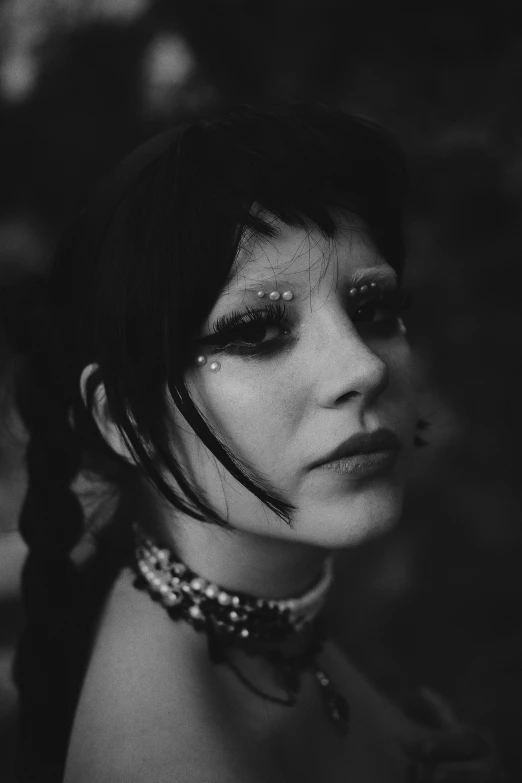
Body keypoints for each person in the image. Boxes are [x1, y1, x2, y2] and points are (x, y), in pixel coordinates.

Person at [2, 103, 500, 782]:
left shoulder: (262, 603)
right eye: (256, 330)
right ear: (125, 419)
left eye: (374, 309)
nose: (365, 367)